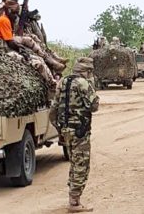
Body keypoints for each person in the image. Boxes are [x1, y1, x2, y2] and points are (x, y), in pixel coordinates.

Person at [49, 57, 99, 213]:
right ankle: (74, 202)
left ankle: (73, 197)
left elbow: (53, 110)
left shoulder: (63, 82)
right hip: (79, 131)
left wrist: (60, 129)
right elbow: (94, 106)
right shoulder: (83, 83)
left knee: (74, 162)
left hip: (66, 130)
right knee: (81, 165)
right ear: (86, 71)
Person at [0, 0, 56, 88]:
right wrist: (22, 51)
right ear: (9, 11)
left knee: (39, 59)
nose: (15, 16)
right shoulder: (4, 20)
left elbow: (10, 40)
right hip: (2, 50)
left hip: (5, 47)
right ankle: (51, 84)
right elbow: (10, 43)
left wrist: (21, 48)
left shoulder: (6, 20)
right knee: (36, 63)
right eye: (14, 13)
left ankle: (51, 81)